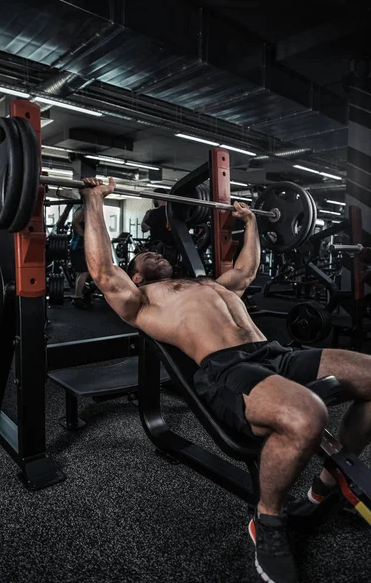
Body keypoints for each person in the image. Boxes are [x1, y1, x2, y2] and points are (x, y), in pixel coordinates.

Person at [81, 177, 371, 583]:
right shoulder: (142, 301)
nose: (152, 253)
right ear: (137, 277)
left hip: (276, 354)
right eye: (144, 255)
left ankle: (322, 492)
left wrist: (251, 220)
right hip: (229, 371)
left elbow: (247, 269)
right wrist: (93, 199)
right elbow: (102, 270)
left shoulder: (208, 284)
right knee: (308, 414)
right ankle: (268, 523)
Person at [141, 188, 178, 264]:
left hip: (159, 250)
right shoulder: (174, 213)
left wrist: (146, 215)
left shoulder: (154, 213)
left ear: (156, 198)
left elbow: (144, 228)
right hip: (173, 250)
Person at [69, 206, 91, 309]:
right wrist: (85, 236)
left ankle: (78, 295)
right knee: (84, 272)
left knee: (82, 272)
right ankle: (77, 297)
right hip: (79, 246)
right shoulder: (83, 208)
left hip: (79, 246)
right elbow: (75, 223)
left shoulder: (85, 208)